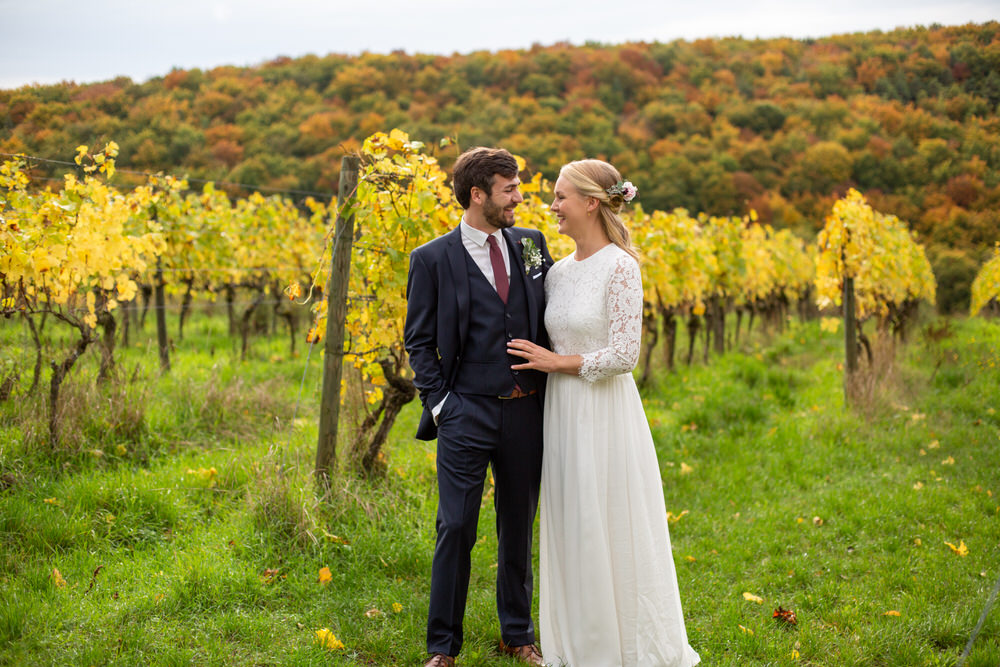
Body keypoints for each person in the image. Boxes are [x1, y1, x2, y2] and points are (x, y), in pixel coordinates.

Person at [507, 159, 701, 667]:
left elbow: (623, 355)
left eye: (560, 196)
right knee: (571, 519)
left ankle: (623, 647)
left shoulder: (621, 267)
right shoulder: (557, 273)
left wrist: (556, 362)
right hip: (562, 412)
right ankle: (576, 643)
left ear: (591, 203)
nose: (552, 207)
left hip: (604, 411)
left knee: (608, 521)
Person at [404, 147, 554, 667]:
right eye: (509, 189)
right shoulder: (431, 258)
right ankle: (443, 648)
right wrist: (442, 404)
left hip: (526, 411)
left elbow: (556, 312)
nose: (519, 197)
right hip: (466, 411)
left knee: (518, 523)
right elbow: (419, 341)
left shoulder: (532, 245)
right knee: (456, 527)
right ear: (478, 194)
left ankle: (518, 634)